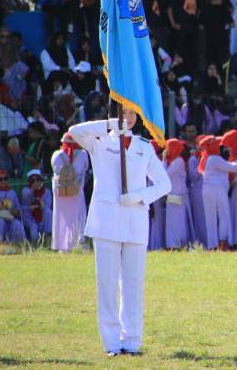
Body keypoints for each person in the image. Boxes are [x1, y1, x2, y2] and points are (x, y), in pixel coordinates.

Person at [68, 107, 172, 356]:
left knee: (133, 284)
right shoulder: (100, 142)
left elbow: (164, 184)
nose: (128, 118)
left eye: (132, 114)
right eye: (123, 112)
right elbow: (74, 132)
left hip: (135, 221)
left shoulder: (143, 146)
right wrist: (109, 125)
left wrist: (139, 196)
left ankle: (133, 341)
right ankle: (112, 343)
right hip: (106, 221)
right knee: (106, 284)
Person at [198, 135, 237, 250]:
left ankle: (212, 245)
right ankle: (222, 242)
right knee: (224, 215)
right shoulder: (214, 158)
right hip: (218, 189)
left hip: (208, 190)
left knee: (211, 218)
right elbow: (231, 167)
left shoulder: (206, 158)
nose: (220, 146)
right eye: (217, 144)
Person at [50, 133, 89, 251]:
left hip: (60, 193)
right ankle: (78, 243)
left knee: (60, 216)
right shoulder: (83, 155)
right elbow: (85, 168)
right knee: (79, 215)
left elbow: (54, 169)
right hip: (76, 191)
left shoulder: (57, 155)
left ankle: (61, 245)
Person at [162, 138, 192, 250]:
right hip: (172, 196)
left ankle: (178, 244)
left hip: (178, 196)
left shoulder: (178, 161)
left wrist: (164, 160)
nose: (166, 150)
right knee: (171, 222)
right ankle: (172, 244)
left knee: (178, 222)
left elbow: (165, 175)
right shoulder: (173, 161)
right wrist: (165, 161)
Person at [21, 170, 53, 243]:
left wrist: (40, 202)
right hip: (30, 217)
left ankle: (48, 236)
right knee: (33, 229)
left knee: (48, 212)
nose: (35, 182)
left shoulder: (47, 192)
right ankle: (35, 243)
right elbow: (25, 204)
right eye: (33, 180)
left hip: (42, 216)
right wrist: (33, 188)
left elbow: (48, 206)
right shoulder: (25, 190)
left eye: (37, 179)